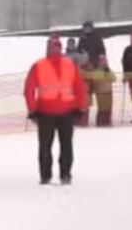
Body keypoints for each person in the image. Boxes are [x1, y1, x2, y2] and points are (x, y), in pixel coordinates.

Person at [23, 36, 88, 185]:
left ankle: (46, 176)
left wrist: (32, 110)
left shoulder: (38, 66)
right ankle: (65, 174)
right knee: (66, 145)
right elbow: (79, 88)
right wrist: (80, 107)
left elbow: (29, 89)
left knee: (45, 146)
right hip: (67, 112)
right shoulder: (70, 65)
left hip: (45, 113)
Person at [90, 55, 117, 127]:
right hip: (100, 92)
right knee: (102, 108)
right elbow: (96, 79)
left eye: (105, 61)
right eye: (102, 61)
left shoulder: (109, 70)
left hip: (108, 91)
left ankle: (108, 121)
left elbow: (114, 78)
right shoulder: (96, 71)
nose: (104, 63)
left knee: (108, 108)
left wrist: (108, 72)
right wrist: (104, 74)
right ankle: (100, 122)